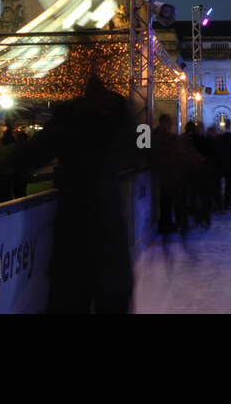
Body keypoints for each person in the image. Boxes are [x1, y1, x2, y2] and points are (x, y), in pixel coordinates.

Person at [26, 63, 134, 313]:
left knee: (71, 298)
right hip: (108, 235)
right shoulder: (119, 109)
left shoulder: (69, 113)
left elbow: (35, 153)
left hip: (74, 234)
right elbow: (138, 145)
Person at [214, 124, 231, 209]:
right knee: (228, 185)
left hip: (221, 164)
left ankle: (221, 202)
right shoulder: (230, 137)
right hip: (229, 165)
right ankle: (227, 202)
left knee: (221, 185)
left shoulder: (220, 138)